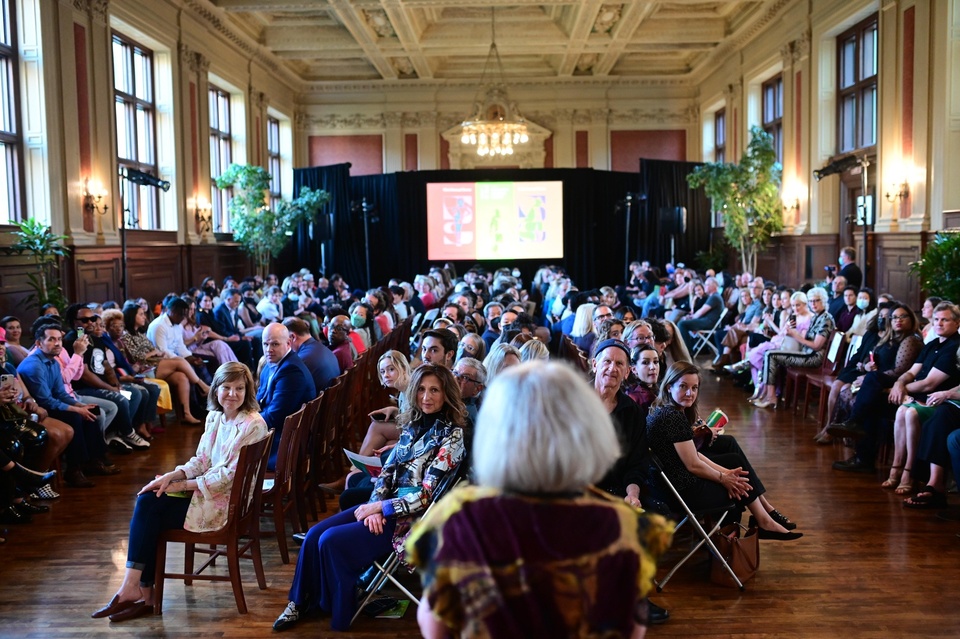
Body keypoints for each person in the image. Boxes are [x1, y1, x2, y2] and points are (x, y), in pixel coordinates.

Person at [406, 361, 674, 639]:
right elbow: (631, 627)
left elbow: (434, 623)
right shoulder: (619, 524)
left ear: (497, 435)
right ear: (588, 434)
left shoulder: (461, 519)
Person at [273, 364, 467, 632]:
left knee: (331, 541)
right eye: (421, 389)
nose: (426, 397)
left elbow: (426, 495)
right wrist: (374, 506)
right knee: (316, 533)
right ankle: (299, 603)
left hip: (411, 520)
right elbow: (387, 472)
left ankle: (338, 607)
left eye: (434, 390)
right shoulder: (412, 424)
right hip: (383, 507)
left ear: (447, 394)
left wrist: (382, 507)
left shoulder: (452, 436)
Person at [90, 362, 268, 622]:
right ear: (215, 390)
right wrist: (173, 475)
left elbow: (229, 477)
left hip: (227, 503)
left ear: (248, 390)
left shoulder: (253, 424)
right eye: (226, 388)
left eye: (239, 388)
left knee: (151, 510)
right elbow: (202, 460)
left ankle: (138, 591)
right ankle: (140, 592)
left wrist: (181, 486)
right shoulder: (215, 416)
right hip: (210, 492)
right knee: (150, 498)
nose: (232, 394)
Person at [646, 362, 802, 540]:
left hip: (669, 485)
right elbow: (693, 465)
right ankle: (763, 521)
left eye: (694, 388)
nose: (690, 393)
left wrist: (727, 474)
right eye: (683, 386)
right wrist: (724, 478)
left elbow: (694, 456)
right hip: (680, 492)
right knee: (737, 485)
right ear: (669, 387)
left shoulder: (665, 410)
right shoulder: (672, 417)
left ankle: (763, 518)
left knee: (734, 466)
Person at [116, 302, 206, 425]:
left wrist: (157, 353)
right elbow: (135, 358)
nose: (145, 317)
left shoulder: (140, 334)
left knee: (182, 377)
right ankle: (202, 386)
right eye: (141, 314)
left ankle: (186, 414)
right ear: (132, 316)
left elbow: (155, 350)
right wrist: (152, 353)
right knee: (179, 361)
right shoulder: (125, 336)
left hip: (155, 364)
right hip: (143, 369)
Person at [751, 287, 835, 409]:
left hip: (814, 357)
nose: (813, 304)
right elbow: (806, 338)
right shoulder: (817, 316)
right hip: (806, 353)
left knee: (771, 355)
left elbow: (817, 346)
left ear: (823, 301)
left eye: (816, 301)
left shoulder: (826, 319)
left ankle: (771, 397)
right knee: (769, 353)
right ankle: (768, 395)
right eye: (811, 301)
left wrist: (796, 335)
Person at [257, 323, 316, 470]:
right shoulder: (272, 363)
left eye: (275, 344)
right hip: (277, 432)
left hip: (282, 442)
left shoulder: (291, 371)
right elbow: (259, 400)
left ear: (288, 343)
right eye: (265, 344)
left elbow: (274, 417)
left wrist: (244, 423)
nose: (268, 350)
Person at [283, 317, 339, 393]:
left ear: (292, 337)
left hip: (321, 404)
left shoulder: (301, 360)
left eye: (284, 340)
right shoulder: (323, 348)